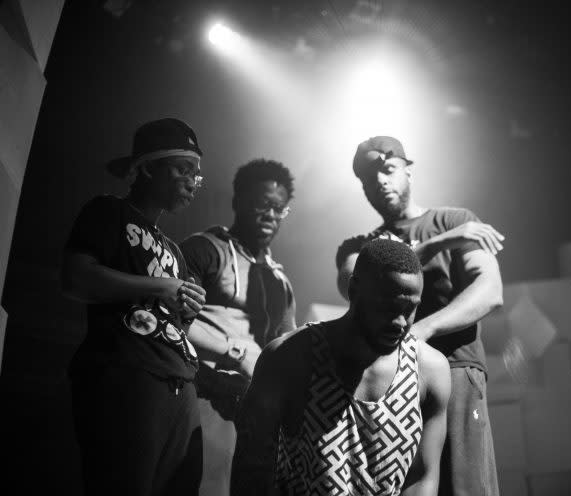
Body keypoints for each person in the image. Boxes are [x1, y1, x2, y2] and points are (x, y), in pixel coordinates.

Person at [336, 136, 505, 496]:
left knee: (466, 487)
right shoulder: (360, 247)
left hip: (457, 369)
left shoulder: (455, 220)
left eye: (388, 170)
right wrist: (441, 244)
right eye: (368, 179)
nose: (379, 181)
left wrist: (422, 330)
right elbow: (352, 281)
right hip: (391, 381)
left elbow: (490, 291)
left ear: (408, 170)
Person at [231, 238, 452, 496]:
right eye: (388, 307)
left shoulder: (430, 370)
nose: (400, 322)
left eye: (410, 308)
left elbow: (422, 477)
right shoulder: (289, 357)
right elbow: (252, 469)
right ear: (354, 290)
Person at [61, 118, 207, 495]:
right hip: (128, 375)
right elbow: (77, 279)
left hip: (180, 385)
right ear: (146, 168)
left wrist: (186, 306)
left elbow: (169, 317)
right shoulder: (109, 211)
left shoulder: (175, 249)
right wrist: (163, 286)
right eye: (183, 168)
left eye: (197, 173)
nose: (192, 180)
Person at [180, 159, 297, 496]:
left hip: (251, 410)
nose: (270, 216)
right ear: (238, 201)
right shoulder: (205, 248)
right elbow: (169, 320)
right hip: (200, 394)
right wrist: (237, 351)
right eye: (263, 204)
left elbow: (286, 347)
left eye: (280, 208)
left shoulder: (280, 280)